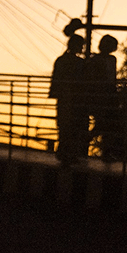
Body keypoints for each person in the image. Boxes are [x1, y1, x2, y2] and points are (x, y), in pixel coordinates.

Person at [49, 35, 88, 164]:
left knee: (64, 126)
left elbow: (56, 81)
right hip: (76, 99)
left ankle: (63, 153)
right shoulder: (80, 62)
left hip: (64, 98)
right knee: (74, 127)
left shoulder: (61, 60)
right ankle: (69, 154)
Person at [87, 35, 121, 160]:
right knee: (104, 123)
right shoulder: (99, 60)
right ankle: (103, 150)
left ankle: (104, 150)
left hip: (108, 95)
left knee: (108, 124)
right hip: (102, 95)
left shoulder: (103, 59)